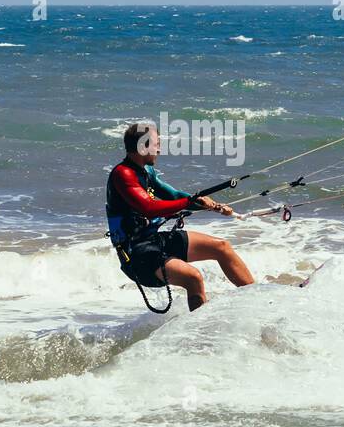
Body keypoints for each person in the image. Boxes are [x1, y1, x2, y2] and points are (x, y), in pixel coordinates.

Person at [105, 121, 255, 311]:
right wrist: (191, 201)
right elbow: (149, 208)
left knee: (221, 247)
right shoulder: (123, 174)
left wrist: (210, 205)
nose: (159, 149)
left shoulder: (146, 171)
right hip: (136, 254)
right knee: (193, 278)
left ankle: (257, 299)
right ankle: (198, 337)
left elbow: (174, 196)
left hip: (153, 240)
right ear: (143, 146)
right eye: (156, 144)